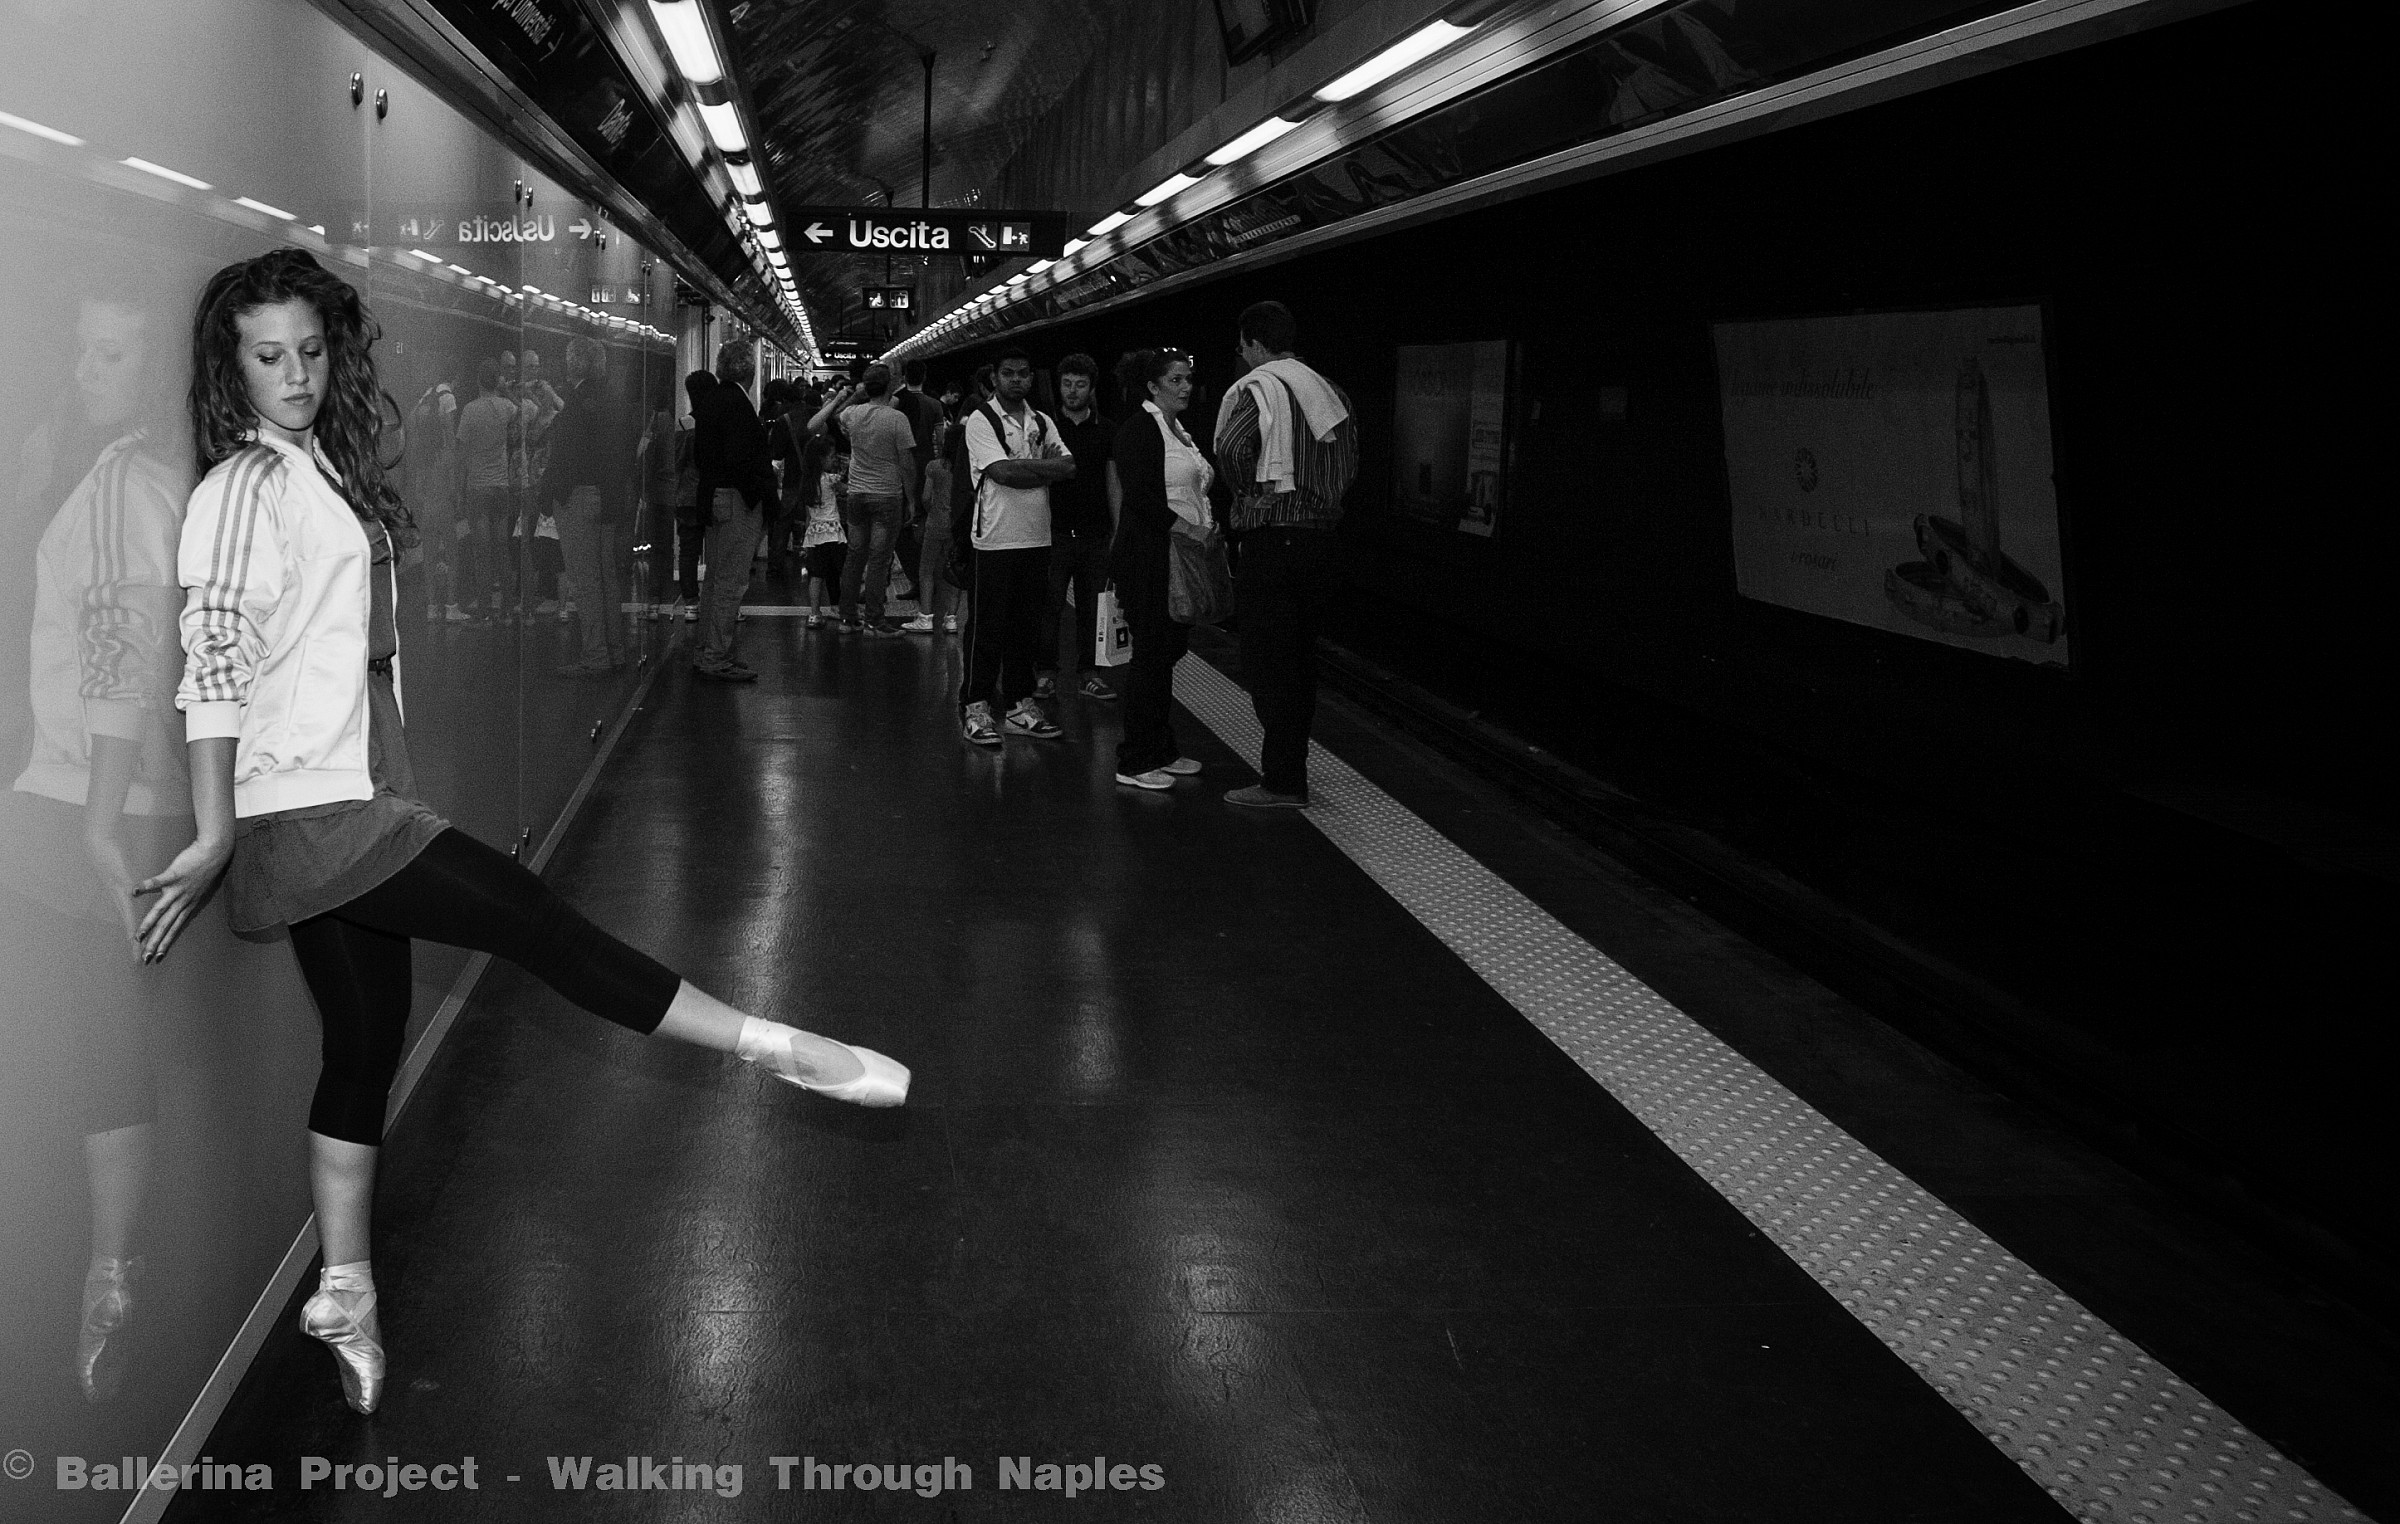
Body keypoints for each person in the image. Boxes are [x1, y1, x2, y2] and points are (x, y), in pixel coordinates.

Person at [135, 248, 906, 1419]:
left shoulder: (312, 466)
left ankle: (345, 1291)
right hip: (312, 809)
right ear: (228, 368)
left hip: (347, 786)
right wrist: (208, 836)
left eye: (311, 351)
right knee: (533, 922)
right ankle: (776, 1048)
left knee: (364, 1043)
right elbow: (212, 664)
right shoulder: (242, 487)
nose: (295, 375)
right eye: (268, 356)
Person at [1212, 301, 1358, 807]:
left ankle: (1282, 781)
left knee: (1268, 663)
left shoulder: (1263, 388)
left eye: (1242, 347)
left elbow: (1232, 447)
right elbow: (1349, 459)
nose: (1243, 357)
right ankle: (1291, 770)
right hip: (1320, 541)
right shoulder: (1331, 392)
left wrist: (1247, 494)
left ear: (1255, 344)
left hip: (1274, 542)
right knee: (1300, 662)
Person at [1106, 349, 1212, 790]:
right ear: (1152, 387)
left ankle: (1161, 748)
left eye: (1188, 378)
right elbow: (1141, 496)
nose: (1186, 387)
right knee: (1150, 656)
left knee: (1166, 654)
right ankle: (1134, 760)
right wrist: (1189, 528)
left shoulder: (1177, 431)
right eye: (1175, 380)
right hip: (1148, 559)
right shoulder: (1140, 430)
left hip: (1176, 557)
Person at [956, 347, 1074, 747]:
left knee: (1026, 626)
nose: (1017, 380)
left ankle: (1019, 704)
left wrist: (1029, 468)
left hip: (1037, 537)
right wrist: (1045, 470)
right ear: (995, 378)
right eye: (1008, 373)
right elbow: (1001, 473)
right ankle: (976, 705)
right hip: (993, 539)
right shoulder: (981, 419)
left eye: (1023, 373)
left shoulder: (1042, 420)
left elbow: (1069, 466)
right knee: (986, 626)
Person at [689, 340, 776, 681]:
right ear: (750, 371)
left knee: (714, 579)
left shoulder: (711, 400)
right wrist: (760, 495)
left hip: (714, 496)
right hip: (737, 500)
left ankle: (706, 649)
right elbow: (743, 458)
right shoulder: (738, 404)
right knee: (731, 581)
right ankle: (716, 655)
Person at [810, 365, 916, 635]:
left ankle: (847, 618)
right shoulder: (897, 419)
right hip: (887, 495)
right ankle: (874, 620)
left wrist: (855, 396)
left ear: (866, 388)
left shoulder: (853, 414)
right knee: (879, 559)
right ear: (889, 386)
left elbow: (836, 414)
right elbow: (906, 463)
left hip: (856, 494)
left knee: (854, 557)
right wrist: (912, 499)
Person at [543, 337, 626, 676]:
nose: (565, 363)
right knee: (607, 579)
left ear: (578, 363)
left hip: (578, 498)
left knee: (585, 581)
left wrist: (547, 494)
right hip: (608, 497)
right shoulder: (611, 398)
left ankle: (595, 655)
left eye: (568, 357)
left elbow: (564, 455)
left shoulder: (577, 402)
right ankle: (615, 649)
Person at [1039, 353, 1118, 701]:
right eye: (1067, 384)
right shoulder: (1045, 427)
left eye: (1080, 385)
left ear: (1092, 388)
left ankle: (1090, 673)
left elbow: (1112, 481)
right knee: (1049, 607)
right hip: (1052, 531)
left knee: (1093, 608)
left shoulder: (1107, 430)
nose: (1072, 391)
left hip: (1095, 532)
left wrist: (1117, 529)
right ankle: (1045, 672)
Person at [451, 358, 515, 624]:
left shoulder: (470, 410)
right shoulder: (507, 407)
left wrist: (458, 488)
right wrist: (507, 390)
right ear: (497, 380)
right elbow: (526, 412)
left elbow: (461, 452)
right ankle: (508, 606)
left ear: (478, 380)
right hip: (501, 486)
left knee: (482, 552)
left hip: (478, 487)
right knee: (502, 549)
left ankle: (485, 607)